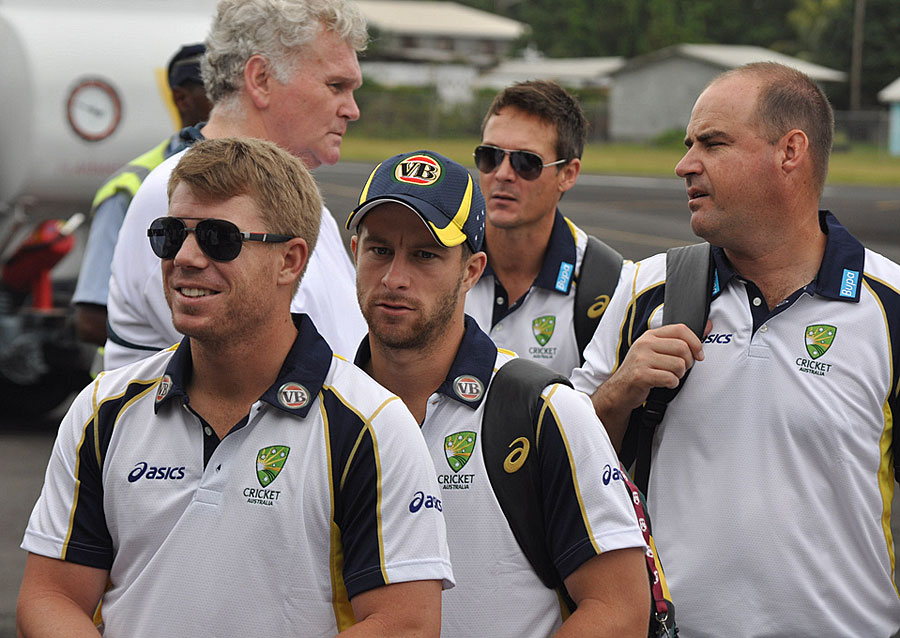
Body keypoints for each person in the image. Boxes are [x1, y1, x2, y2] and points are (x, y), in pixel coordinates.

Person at [18, 138, 453, 638]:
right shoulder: (103, 408)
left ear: (290, 261)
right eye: (170, 235)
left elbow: (407, 623)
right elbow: (50, 597)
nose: (185, 257)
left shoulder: (372, 426)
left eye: (218, 238)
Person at [571, 62, 900, 637]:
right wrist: (618, 394)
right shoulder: (647, 289)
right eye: (688, 145)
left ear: (790, 151)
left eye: (713, 143)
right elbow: (564, 465)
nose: (684, 165)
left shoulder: (889, 306)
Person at [347, 149, 650, 637]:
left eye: (425, 255)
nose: (394, 278)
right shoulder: (326, 409)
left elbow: (620, 609)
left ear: (471, 271)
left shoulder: (546, 411)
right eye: (379, 250)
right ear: (355, 252)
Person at [103, 0, 367, 369]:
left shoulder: (298, 200)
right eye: (336, 86)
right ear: (260, 79)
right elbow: (263, 371)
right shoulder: (181, 196)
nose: (352, 110)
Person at [464, 80, 629, 375]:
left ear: (568, 174)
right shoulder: (441, 261)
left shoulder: (610, 287)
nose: (503, 174)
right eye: (490, 156)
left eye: (526, 162)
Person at [72, 43, 211, 346]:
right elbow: (91, 320)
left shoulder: (245, 178)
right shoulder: (130, 187)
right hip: (135, 377)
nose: (229, 100)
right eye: (215, 89)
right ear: (182, 98)